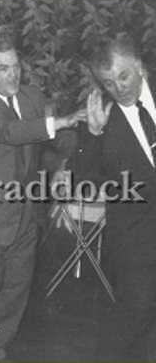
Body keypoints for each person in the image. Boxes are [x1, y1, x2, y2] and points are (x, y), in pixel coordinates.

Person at [0, 39, 83, 362]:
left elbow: (61, 140)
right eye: (2, 68)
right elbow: (6, 131)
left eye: (16, 67)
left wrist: (68, 160)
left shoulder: (32, 97)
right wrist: (60, 123)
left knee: (16, 286)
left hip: (26, 212)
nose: (13, 75)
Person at [70, 34, 156, 361]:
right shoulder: (100, 118)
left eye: (124, 76)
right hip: (135, 237)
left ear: (141, 68)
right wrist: (91, 136)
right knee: (134, 313)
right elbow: (86, 181)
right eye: (108, 82)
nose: (118, 88)